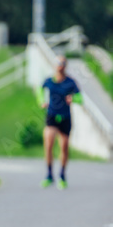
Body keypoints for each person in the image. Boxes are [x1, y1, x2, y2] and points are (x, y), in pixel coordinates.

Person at [40, 55, 81, 189]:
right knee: (49, 143)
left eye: (63, 63)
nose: (60, 65)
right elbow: (39, 90)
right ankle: (49, 175)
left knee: (63, 146)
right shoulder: (49, 81)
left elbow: (81, 98)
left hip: (65, 117)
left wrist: (73, 99)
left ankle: (62, 176)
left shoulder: (70, 82)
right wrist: (42, 101)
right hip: (51, 116)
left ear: (65, 66)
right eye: (58, 63)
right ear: (55, 65)